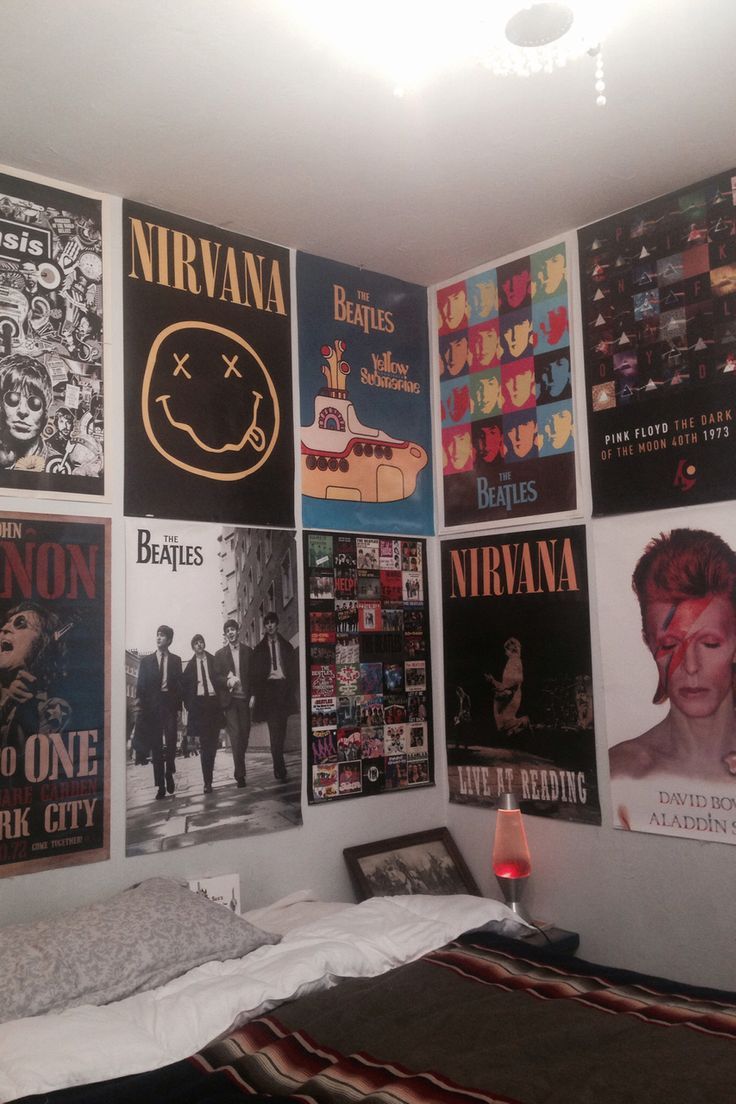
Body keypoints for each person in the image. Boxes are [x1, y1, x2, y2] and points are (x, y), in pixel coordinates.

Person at [610, 528, 736, 782]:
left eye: (709, 643)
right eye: (669, 645)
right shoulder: (620, 772)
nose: (690, 666)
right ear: (648, 642)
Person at [0, 600, 69, 768]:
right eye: (6, 623)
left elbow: (33, 769)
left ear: (43, 644)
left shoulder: (53, 708)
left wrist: (24, 712)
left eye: (20, 624)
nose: (4, 629)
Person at [134, 625, 182, 800]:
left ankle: (169, 771)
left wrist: (178, 708)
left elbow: (179, 686)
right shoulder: (146, 662)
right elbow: (141, 686)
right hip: (152, 708)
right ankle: (160, 785)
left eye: (162, 636)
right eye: (157, 635)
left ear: (169, 640)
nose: (158, 638)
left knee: (171, 741)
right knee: (156, 746)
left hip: (169, 705)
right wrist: (140, 708)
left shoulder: (176, 660)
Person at [252, 612, 298, 781]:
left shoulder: (286, 646)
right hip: (269, 691)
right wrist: (257, 694)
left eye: (272, 622)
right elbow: (255, 675)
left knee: (282, 729)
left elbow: (294, 669)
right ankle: (279, 766)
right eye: (267, 623)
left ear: (277, 625)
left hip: (283, 689)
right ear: (265, 627)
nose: (270, 626)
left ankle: (279, 763)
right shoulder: (259, 649)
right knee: (274, 730)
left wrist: (291, 687)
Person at [213, 619, 252, 787]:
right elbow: (216, 677)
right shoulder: (220, 654)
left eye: (233, 629)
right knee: (235, 736)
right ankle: (240, 774)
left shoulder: (248, 651)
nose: (230, 632)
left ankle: (239, 764)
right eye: (227, 630)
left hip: (245, 700)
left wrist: (253, 696)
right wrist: (228, 681)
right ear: (225, 634)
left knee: (244, 735)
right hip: (230, 702)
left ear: (237, 631)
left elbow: (253, 676)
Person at [182, 635, 223, 794]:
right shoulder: (190, 666)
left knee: (213, 743)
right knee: (205, 745)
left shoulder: (213, 660)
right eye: (196, 643)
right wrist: (189, 704)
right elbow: (184, 687)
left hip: (214, 704)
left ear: (204, 644)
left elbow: (220, 677)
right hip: (200, 706)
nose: (199, 645)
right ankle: (207, 781)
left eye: (201, 642)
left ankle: (209, 775)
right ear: (193, 647)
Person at [0, 354, 53, 472]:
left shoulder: (58, 465)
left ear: (45, 414)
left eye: (34, 403)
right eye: (12, 399)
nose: (23, 411)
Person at [485, 637, 528, 734]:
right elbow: (507, 683)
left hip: (512, 696)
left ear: (511, 649)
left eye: (506, 650)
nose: (505, 653)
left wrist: (504, 687)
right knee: (503, 726)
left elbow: (518, 679)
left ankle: (524, 722)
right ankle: (522, 725)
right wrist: (493, 681)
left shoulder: (515, 661)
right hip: (509, 694)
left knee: (503, 725)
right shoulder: (512, 661)